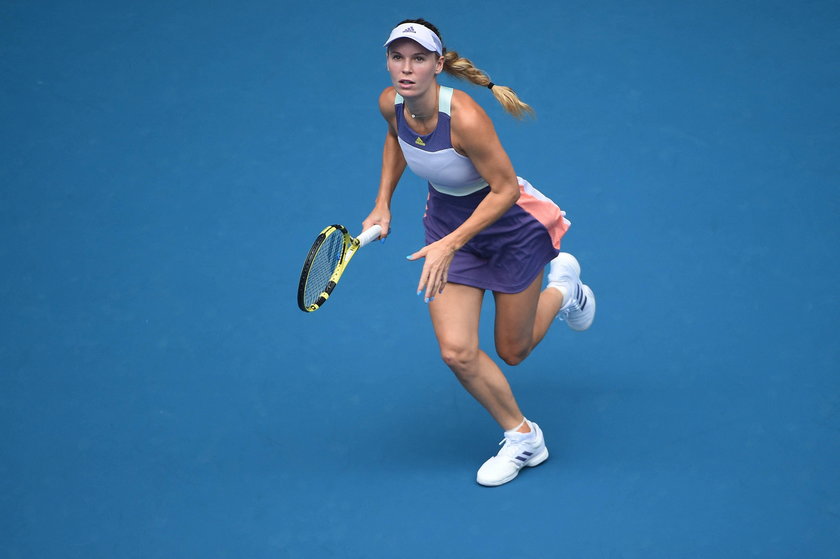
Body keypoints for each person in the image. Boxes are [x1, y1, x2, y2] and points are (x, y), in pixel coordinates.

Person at [362, 19, 596, 487]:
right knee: (457, 351)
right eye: (397, 57)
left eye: (419, 58)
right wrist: (382, 202)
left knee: (513, 350)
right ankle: (524, 438)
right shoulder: (392, 103)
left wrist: (450, 244)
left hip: (511, 229)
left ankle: (565, 290)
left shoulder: (465, 118)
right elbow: (396, 140)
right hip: (448, 225)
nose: (406, 69)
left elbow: (506, 189)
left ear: (438, 65)